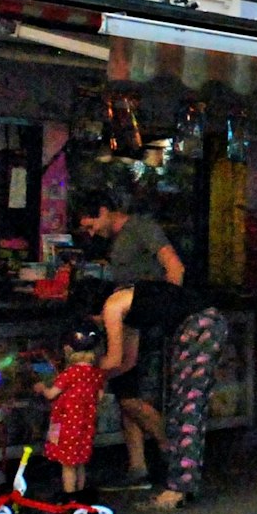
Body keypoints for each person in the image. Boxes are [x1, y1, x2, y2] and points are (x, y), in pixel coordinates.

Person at [74, 184, 183, 491]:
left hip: (147, 320)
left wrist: (168, 310)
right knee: (125, 392)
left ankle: (171, 450)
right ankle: (138, 467)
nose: (92, 233)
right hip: (128, 321)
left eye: (91, 225)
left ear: (105, 212)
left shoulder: (141, 228)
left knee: (133, 397)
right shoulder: (117, 240)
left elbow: (174, 266)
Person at [89, 280, 229, 512]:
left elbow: (113, 359)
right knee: (186, 404)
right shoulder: (131, 302)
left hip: (196, 326)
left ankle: (178, 488)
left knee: (187, 407)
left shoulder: (112, 306)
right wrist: (99, 377)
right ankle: (182, 480)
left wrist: (82, 372)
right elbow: (127, 362)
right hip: (208, 323)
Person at [36, 326, 103, 501]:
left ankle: (69, 497)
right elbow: (100, 396)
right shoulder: (95, 374)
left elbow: (52, 394)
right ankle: (80, 495)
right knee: (79, 462)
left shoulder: (69, 374)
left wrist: (42, 388)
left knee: (67, 464)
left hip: (67, 424)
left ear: (68, 350)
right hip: (86, 424)